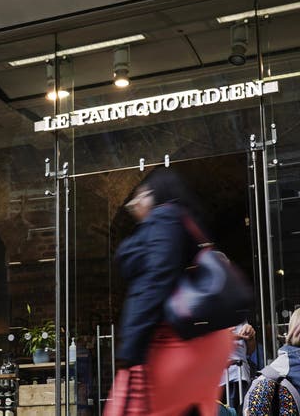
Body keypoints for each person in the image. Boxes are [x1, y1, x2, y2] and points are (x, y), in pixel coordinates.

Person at [104, 167, 234, 416]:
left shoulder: (164, 218)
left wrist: (131, 348)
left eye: (143, 194)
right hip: (202, 344)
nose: (135, 202)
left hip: (171, 343)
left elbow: (156, 279)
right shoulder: (182, 223)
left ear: (157, 194)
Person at [219, 322, 256, 413]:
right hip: (222, 379)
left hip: (240, 375)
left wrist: (251, 338)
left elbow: (249, 351)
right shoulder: (210, 312)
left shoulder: (240, 317)